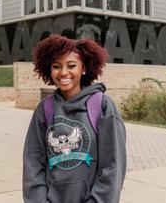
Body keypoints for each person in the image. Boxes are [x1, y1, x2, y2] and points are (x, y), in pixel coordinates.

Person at [23, 34, 126, 203]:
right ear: (49, 70)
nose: (63, 72)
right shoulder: (44, 109)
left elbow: (113, 167)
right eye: (57, 66)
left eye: (71, 65)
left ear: (83, 68)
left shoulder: (102, 106)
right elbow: (33, 165)